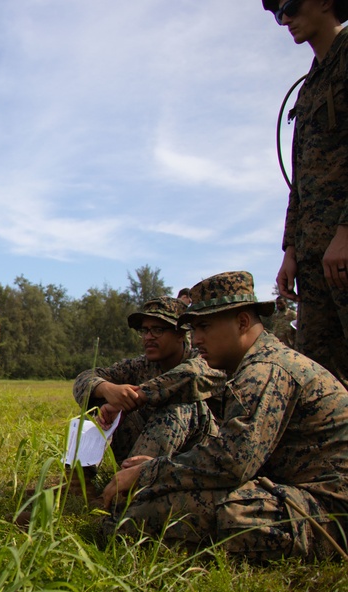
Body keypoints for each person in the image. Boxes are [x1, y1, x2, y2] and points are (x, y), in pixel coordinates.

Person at [102, 271, 348, 562]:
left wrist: (149, 472)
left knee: (150, 515)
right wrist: (159, 469)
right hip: (292, 489)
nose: (197, 338)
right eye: (194, 328)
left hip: (329, 513)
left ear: (242, 322)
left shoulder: (266, 369)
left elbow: (232, 462)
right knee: (153, 505)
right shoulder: (253, 363)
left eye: (204, 326)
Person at [266, 0, 348, 390]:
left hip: (343, 248)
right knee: (319, 382)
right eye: (276, 12)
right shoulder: (310, 85)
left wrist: (346, 231)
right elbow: (300, 179)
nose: (284, 19)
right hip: (316, 259)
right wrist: (291, 251)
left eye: (291, 6)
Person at [72, 297, 219, 467]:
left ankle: (130, 485)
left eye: (157, 330)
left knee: (179, 404)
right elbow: (84, 378)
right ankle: (80, 479)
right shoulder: (140, 365)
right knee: (101, 401)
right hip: (150, 449)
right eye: (144, 330)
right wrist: (106, 388)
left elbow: (192, 375)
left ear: (180, 334)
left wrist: (138, 396)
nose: (148, 337)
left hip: (198, 457)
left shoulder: (204, 358)